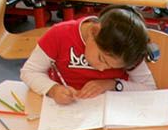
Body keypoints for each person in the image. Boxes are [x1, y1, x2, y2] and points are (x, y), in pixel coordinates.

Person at [19, 6, 155, 103]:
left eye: (112, 67)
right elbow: (29, 72)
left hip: (111, 116)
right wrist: (53, 90)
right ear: (93, 31)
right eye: (102, 59)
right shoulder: (60, 35)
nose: (102, 69)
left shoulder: (128, 49)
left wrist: (112, 84)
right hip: (66, 111)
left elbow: (150, 90)